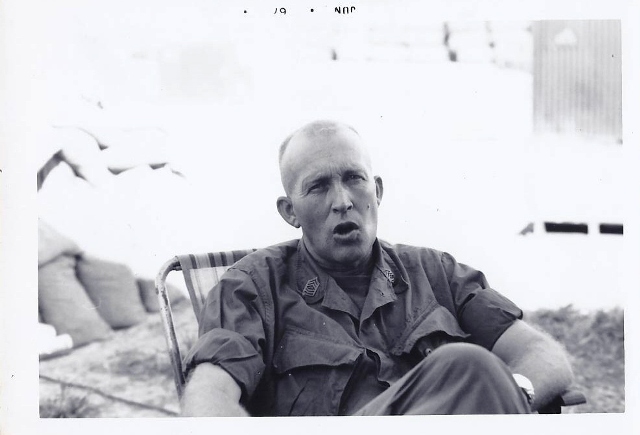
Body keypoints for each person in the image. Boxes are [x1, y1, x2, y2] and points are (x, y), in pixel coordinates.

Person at [180, 120, 574, 416]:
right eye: (318, 186)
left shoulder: (435, 272)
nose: (342, 201)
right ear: (290, 212)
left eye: (354, 179)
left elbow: (541, 353)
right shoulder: (252, 287)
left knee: (471, 370)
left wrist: (512, 395)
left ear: (378, 191)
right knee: (466, 365)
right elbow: (209, 395)